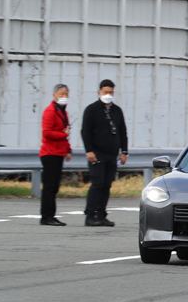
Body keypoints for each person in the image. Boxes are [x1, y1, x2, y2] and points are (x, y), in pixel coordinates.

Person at [80, 79, 128, 227]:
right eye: (105, 92)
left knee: (107, 184)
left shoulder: (116, 110)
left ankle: (101, 214)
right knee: (97, 184)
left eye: (111, 92)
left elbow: (122, 131)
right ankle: (90, 214)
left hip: (111, 154)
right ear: (99, 92)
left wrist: (124, 151)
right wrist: (89, 150)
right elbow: (85, 131)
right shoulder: (92, 109)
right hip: (97, 153)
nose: (108, 95)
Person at [39, 83, 73, 226]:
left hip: (59, 152)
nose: (64, 97)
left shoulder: (62, 111)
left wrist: (68, 149)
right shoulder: (50, 111)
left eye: (66, 94)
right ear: (54, 95)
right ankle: (47, 216)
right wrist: (62, 135)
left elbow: (66, 133)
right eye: (61, 94)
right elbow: (47, 132)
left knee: (54, 186)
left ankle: (50, 215)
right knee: (50, 186)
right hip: (50, 153)